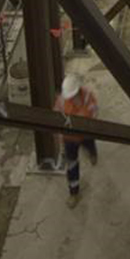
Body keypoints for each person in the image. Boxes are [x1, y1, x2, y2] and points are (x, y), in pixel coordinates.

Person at [55, 74, 98, 206]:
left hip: (86, 134)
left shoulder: (87, 97)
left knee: (90, 144)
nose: (71, 99)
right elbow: (56, 119)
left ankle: (92, 153)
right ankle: (74, 193)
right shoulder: (61, 101)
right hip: (70, 139)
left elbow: (94, 114)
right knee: (72, 165)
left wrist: (79, 118)